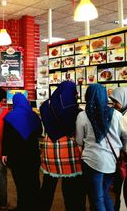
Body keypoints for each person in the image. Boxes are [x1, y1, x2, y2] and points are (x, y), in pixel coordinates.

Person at [76, 84, 127, 211]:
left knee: (97, 198)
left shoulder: (83, 115)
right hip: (112, 161)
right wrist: (122, 151)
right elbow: (125, 136)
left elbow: (79, 140)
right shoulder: (117, 115)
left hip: (92, 160)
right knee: (105, 194)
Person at [39, 81, 86, 211]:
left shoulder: (45, 106)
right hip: (69, 149)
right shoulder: (75, 110)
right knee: (72, 187)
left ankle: (43, 207)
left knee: (48, 184)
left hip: (50, 147)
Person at [2, 92, 42, 211]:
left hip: (16, 156)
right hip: (32, 154)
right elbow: (39, 132)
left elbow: (6, 138)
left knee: (21, 183)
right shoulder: (34, 116)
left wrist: (4, 153)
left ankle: (23, 206)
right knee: (34, 180)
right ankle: (35, 205)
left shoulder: (10, 117)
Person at [110, 87, 127, 211]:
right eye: (112, 101)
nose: (114, 105)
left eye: (116, 101)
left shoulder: (124, 116)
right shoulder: (120, 113)